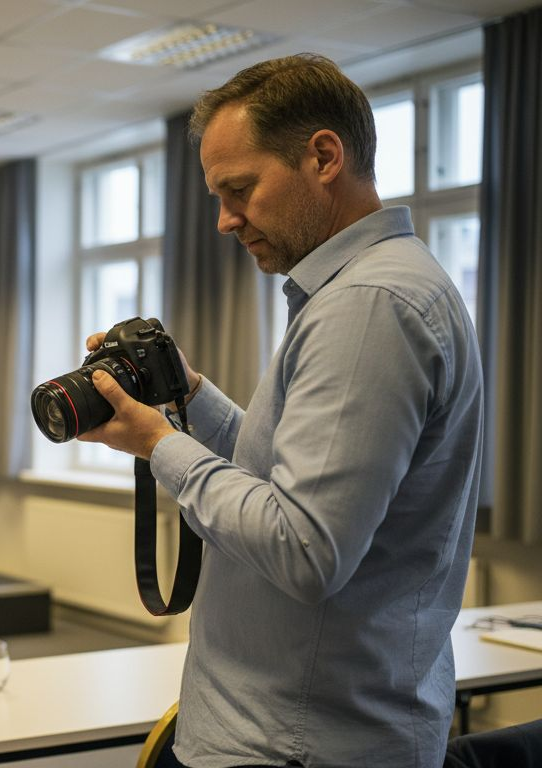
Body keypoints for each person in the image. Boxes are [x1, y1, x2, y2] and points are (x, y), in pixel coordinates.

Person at [80, 54, 484, 767]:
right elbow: (284, 479)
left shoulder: (368, 307)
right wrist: (190, 400)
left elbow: (305, 549)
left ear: (323, 156)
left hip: (293, 746)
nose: (224, 220)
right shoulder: (369, 291)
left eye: (240, 189)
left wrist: (159, 446)